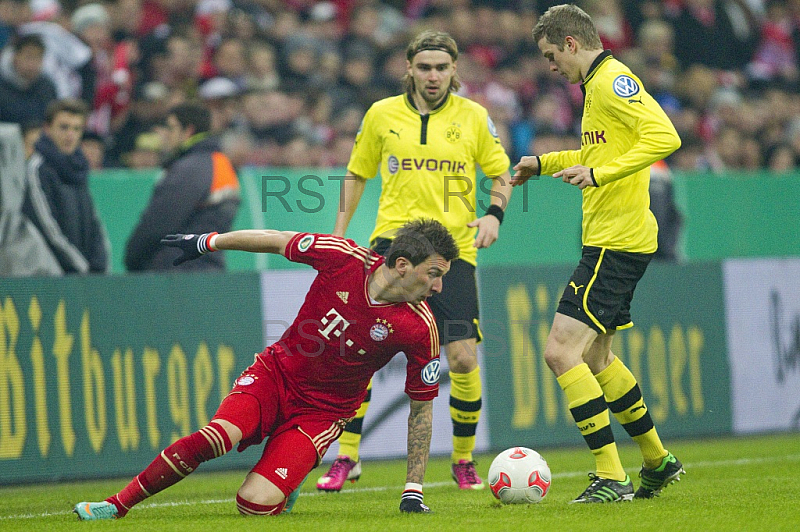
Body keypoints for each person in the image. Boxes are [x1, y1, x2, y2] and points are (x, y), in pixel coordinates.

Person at [73, 218, 459, 520]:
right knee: (216, 437)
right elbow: (275, 239)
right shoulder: (341, 257)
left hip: (322, 413)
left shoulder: (419, 327)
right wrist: (207, 242)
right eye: (435, 274)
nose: (439, 288)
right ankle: (116, 505)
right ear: (403, 265)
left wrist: (413, 489)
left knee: (254, 506)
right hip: (276, 376)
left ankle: (289, 475)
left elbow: (421, 409)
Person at [318, 30, 513, 492]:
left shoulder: (474, 117)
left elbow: (501, 174)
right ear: (409, 68)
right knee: (360, 352)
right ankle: (347, 456)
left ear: (454, 70)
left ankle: (463, 461)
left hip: (453, 253)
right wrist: (339, 234)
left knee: (463, 358)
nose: (433, 76)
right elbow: (356, 173)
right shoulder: (382, 114)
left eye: (441, 68)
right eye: (424, 67)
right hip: (392, 247)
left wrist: (494, 216)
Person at [512, 4, 684, 503]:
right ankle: (657, 460)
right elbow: (596, 156)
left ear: (570, 43)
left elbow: (666, 136)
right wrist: (541, 163)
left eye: (550, 55)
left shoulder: (612, 81)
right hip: (617, 238)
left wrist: (601, 175)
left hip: (616, 240)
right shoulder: (596, 88)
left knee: (559, 352)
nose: (549, 66)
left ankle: (611, 476)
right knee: (596, 354)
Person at [124, 102, 240, 272]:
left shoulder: (191, 168)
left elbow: (159, 224)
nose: (165, 135)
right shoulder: (220, 163)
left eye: (171, 128)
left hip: (178, 270)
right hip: (210, 267)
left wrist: (132, 258)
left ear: (188, 130)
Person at [24, 98, 109, 274]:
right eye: (64, 127)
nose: (70, 134)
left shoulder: (79, 167)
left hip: (81, 277)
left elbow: (94, 223)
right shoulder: (36, 168)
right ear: (47, 129)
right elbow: (47, 228)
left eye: (76, 129)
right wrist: (82, 268)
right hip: (49, 279)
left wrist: (100, 266)